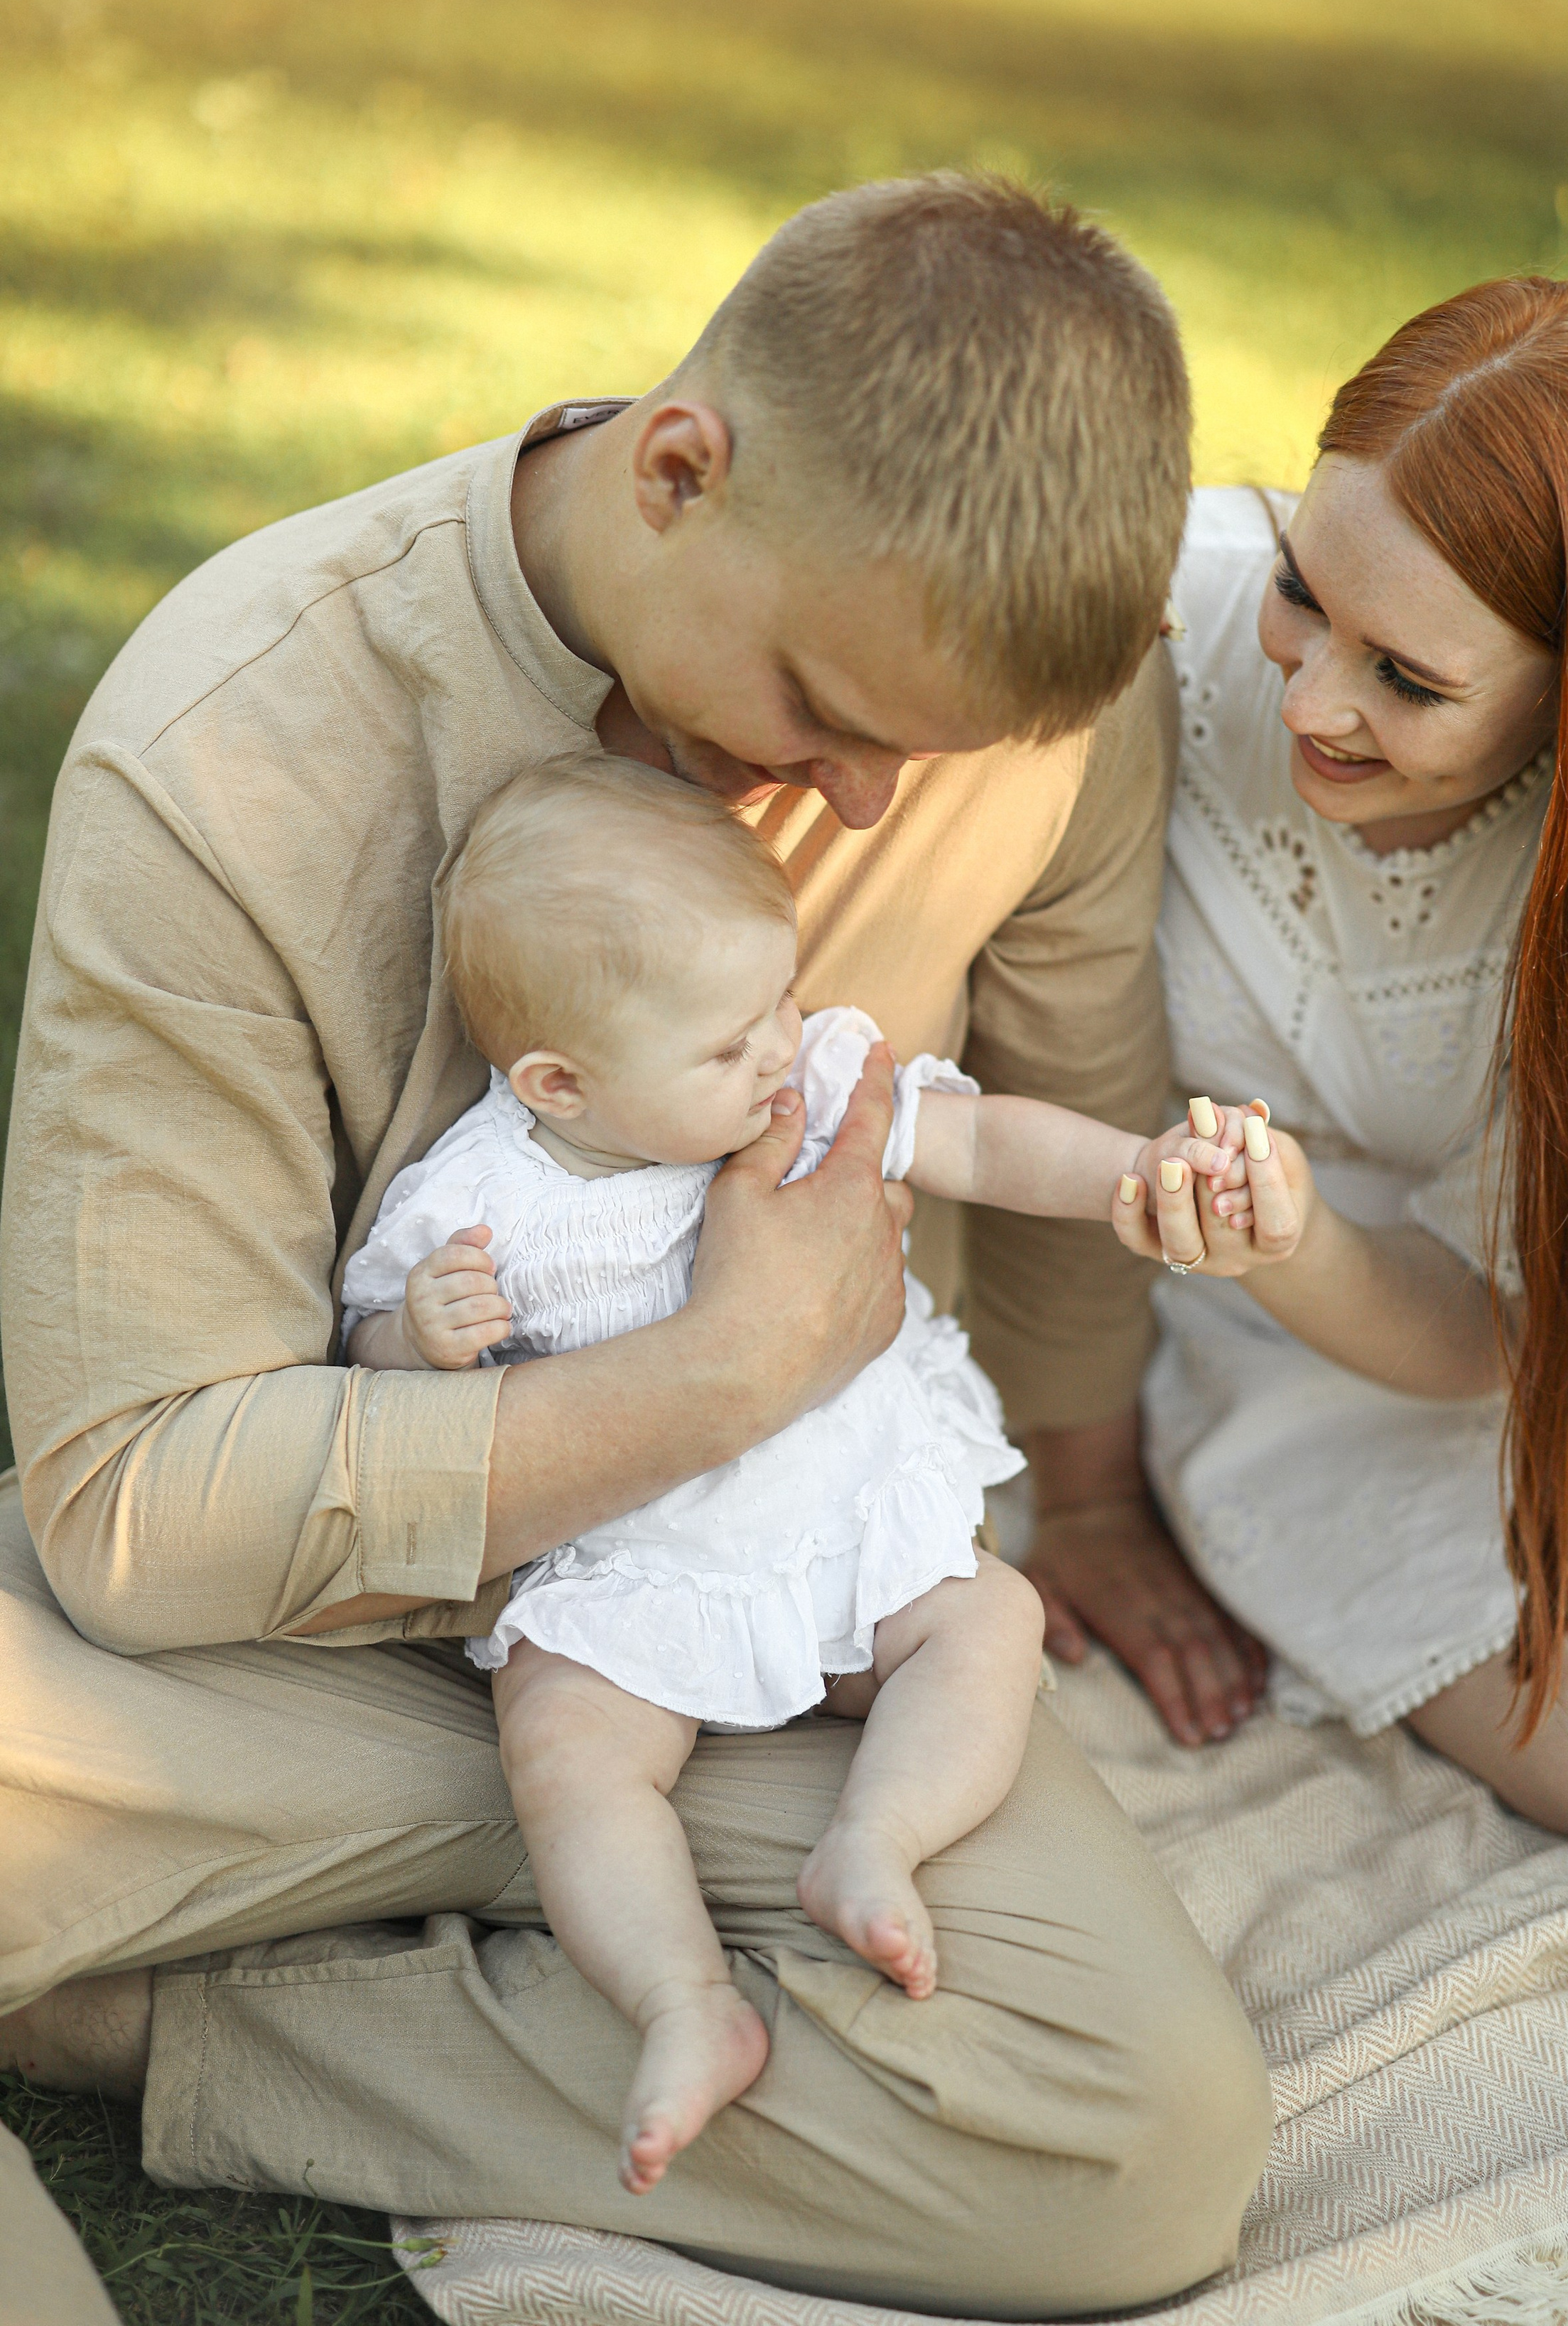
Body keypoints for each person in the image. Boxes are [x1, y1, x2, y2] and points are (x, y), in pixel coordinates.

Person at [0, 173, 1274, 2318]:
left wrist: (1083, 1490)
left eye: (925, 755)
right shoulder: (230, 747)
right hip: (270, 1661)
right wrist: (724, 1370)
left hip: (756, 1643)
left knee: (1134, 2144)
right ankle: (439, 1919)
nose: (861, 805)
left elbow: (1068, 1083)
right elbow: (139, 1512)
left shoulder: (1015, 703)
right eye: (822, 706)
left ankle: (151, 2011)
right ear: (679, 468)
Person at [342, 751, 1231, 2194]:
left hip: (831, 1503)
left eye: (780, 1000)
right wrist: (415, 1334)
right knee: (563, 1752)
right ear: (560, 1083)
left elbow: (982, 1137)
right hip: (633, 1553)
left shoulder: (807, 1080)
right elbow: (369, 1351)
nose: (774, 1050)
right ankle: (681, 2001)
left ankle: (875, 1838)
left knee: (987, 1620)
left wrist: (1134, 1169)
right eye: (727, 1043)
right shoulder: (482, 1200)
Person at [1087, 276, 1568, 1855]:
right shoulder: (1164, 610)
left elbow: (1510, 1326)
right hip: (1234, 1306)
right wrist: (1258, 1249)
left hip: (1534, 1334)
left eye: (1406, 681)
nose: (1308, 697)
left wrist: (1291, 1240)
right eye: (1300, 590)